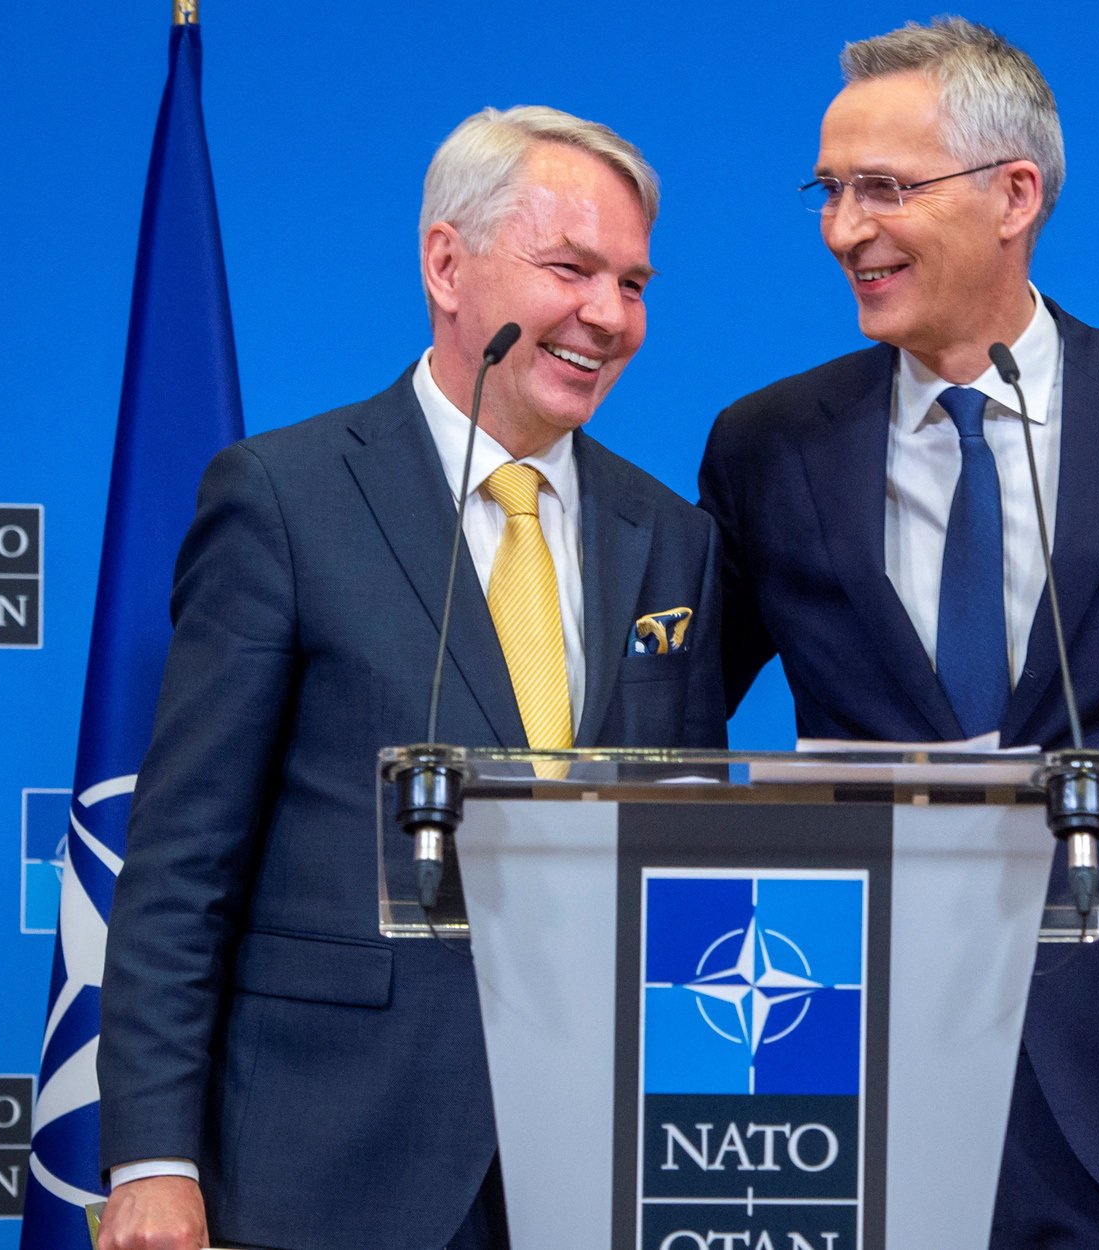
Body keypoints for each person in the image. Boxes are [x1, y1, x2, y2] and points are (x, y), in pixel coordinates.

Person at [697, 18, 1099, 1246]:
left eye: (883, 189)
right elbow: (661, 730)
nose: (843, 231)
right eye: (829, 192)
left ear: (1013, 195)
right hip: (849, 1075)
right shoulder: (767, 445)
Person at [96, 106, 726, 1250]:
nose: (608, 316)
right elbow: (183, 859)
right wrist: (152, 1157)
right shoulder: (283, 499)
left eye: (633, 283)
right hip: (327, 1161)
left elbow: (672, 854)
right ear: (447, 262)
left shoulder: (668, 537)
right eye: (571, 268)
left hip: (595, 1173)